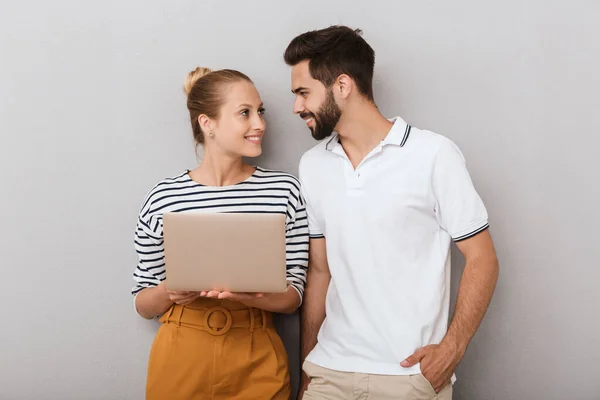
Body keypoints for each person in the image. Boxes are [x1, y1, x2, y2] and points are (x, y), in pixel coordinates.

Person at [284, 26, 500, 400]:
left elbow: (482, 258)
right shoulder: (312, 166)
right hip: (330, 374)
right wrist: (308, 369)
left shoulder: (434, 154)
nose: (296, 107)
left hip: (409, 378)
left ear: (343, 85)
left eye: (303, 93)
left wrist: (452, 349)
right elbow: (320, 270)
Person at [131, 67, 309, 400]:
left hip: (257, 353)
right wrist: (172, 291)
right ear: (207, 123)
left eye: (260, 112)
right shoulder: (163, 197)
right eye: (245, 113)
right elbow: (142, 301)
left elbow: (294, 295)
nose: (260, 124)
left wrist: (251, 295)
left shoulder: (284, 191)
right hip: (181, 352)